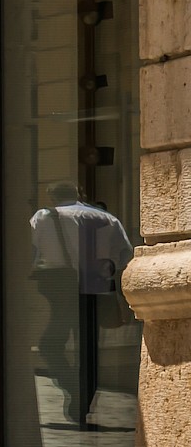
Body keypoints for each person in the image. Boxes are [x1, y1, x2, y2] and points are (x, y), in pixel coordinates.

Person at [29, 181, 133, 429]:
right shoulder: (106, 218)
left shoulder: (43, 217)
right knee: (88, 346)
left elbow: (32, 250)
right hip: (96, 282)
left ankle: (72, 385)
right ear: (78, 194)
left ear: (52, 197)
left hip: (61, 283)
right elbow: (125, 255)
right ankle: (83, 401)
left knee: (50, 344)